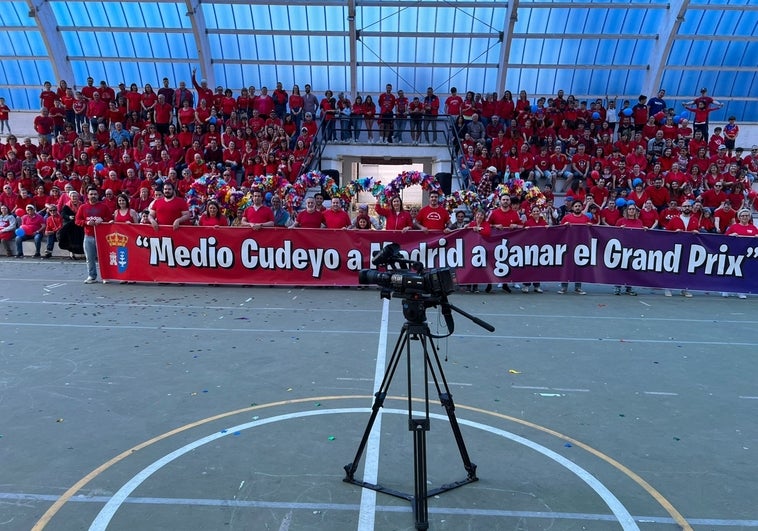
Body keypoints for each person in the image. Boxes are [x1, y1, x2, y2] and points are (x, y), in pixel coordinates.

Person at [75, 187, 111, 283]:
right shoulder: (83, 207)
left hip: (102, 237)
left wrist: (102, 220)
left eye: (95, 194)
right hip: (88, 236)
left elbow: (110, 218)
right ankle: (92, 276)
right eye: (91, 194)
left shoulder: (104, 207)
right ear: (87, 195)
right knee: (90, 258)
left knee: (103, 258)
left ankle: (105, 276)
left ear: (98, 195)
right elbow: (77, 221)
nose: (93, 196)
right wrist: (86, 222)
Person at [558, 199, 590, 294]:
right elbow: (560, 230)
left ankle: (578, 287)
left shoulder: (586, 218)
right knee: (566, 266)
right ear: (572, 208)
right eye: (575, 206)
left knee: (579, 266)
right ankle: (564, 287)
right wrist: (564, 225)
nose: (577, 208)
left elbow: (591, 231)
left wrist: (590, 226)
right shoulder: (566, 218)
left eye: (579, 206)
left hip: (581, 246)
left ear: (582, 207)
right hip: (568, 245)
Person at [522, 205, 547, 293]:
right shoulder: (527, 223)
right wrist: (525, 229)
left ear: (539, 212)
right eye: (534, 211)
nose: (536, 213)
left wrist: (547, 229)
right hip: (529, 247)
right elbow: (522, 234)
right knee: (528, 266)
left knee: (538, 267)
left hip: (540, 248)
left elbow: (548, 233)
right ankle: (526, 285)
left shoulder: (544, 222)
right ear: (531, 213)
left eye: (537, 211)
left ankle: (537, 286)